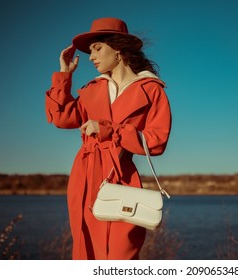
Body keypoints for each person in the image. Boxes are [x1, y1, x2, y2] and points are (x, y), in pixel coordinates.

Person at [45, 17, 172, 260]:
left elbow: (156, 141)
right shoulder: (92, 89)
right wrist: (64, 75)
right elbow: (61, 117)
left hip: (122, 176)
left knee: (122, 254)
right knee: (86, 250)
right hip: (85, 174)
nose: (91, 57)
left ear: (118, 49)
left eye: (97, 48)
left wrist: (111, 130)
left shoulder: (151, 89)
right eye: (90, 50)